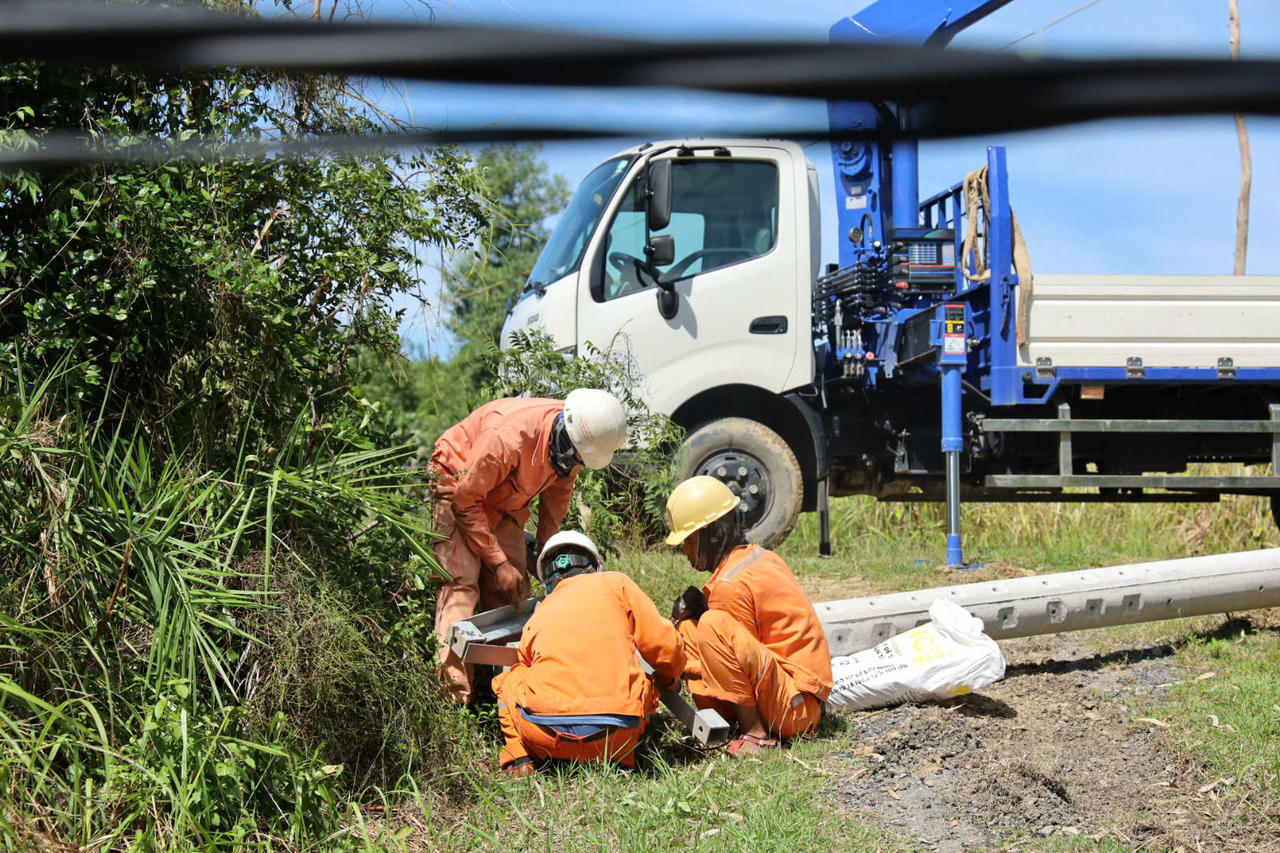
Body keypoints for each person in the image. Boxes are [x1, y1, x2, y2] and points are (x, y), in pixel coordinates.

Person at [430, 390, 627, 703]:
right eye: (576, 458)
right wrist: (497, 562)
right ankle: (452, 701)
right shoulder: (507, 438)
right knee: (462, 585)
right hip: (459, 483)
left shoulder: (577, 441)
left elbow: (557, 496)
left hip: (503, 497)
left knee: (514, 591)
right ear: (567, 437)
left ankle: (510, 691)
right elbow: (465, 500)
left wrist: (547, 553)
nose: (576, 465)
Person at [492, 530, 685, 777]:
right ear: (595, 565)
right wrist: (669, 680)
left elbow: (525, 660)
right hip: (616, 739)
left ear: (548, 579)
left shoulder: (542, 610)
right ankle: (617, 756)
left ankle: (518, 756)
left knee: (508, 679)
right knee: (646, 683)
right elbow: (665, 645)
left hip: (543, 737)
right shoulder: (617, 584)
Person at [664, 476, 833, 757]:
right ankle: (728, 718)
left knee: (712, 624)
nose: (685, 551)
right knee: (690, 628)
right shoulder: (759, 558)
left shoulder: (729, 586)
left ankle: (755, 734)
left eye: (690, 540)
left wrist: (677, 667)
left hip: (796, 708)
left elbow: (736, 658)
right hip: (797, 696)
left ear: (714, 533)